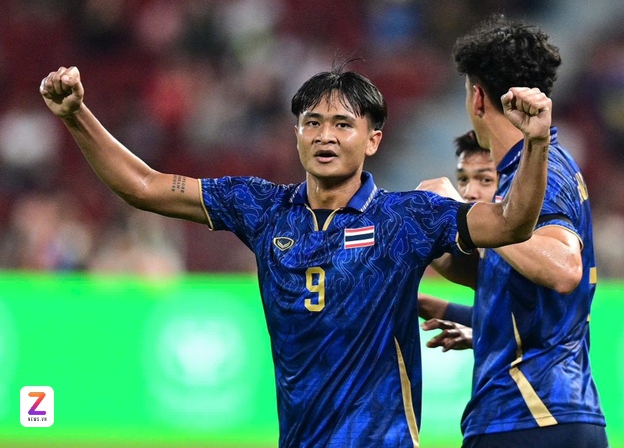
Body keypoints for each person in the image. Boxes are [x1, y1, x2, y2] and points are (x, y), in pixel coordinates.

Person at [39, 64, 553, 448]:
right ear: (297, 134)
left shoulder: (407, 218)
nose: (325, 135)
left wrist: (535, 145)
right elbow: (144, 186)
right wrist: (76, 115)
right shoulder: (262, 208)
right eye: (312, 122)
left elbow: (512, 223)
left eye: (343, 124)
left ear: (373, 140)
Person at [420, 15, 607, 448]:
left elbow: (563, 268)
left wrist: (464, 211)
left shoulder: (541, 173)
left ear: (477, 98)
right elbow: (513, 281)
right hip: (551, 415)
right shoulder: (528, 174)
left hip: (527, 416)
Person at [418, 130, 496, 351]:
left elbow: (551, 328)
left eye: (485, 180)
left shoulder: (536, 246)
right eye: (463, 179)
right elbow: (505, 317)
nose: (469, 192)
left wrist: (461, 210)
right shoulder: (488, 253)